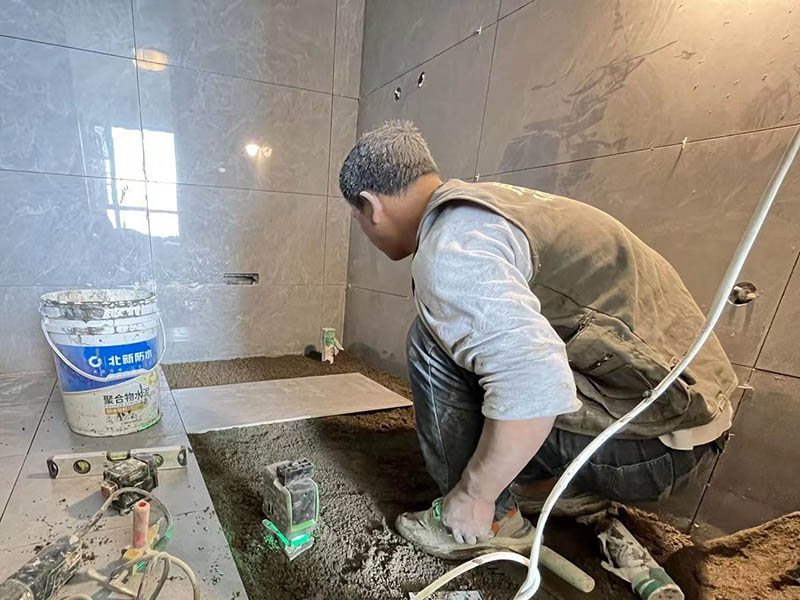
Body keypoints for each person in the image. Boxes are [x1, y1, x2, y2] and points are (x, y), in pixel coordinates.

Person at [338, 120, 737, 559]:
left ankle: (484, 519)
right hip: (682, 415)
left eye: (357, 218)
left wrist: (476, 492)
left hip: (659, 446)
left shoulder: (451, 249)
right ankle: (548, 490)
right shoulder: (488, 208)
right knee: (484, 362)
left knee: (431, 344)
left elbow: (535, 385)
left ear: (371, 206)